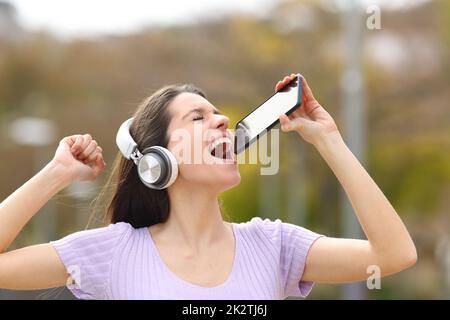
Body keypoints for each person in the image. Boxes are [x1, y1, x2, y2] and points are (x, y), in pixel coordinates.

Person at [0, 74, 417, 299]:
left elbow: (393, 254)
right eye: (197, 118)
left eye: (218, 115)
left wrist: (327, 139)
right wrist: (56, 173)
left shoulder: (273, 246)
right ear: (155, 163)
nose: (221, 121)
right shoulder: (112, 252)